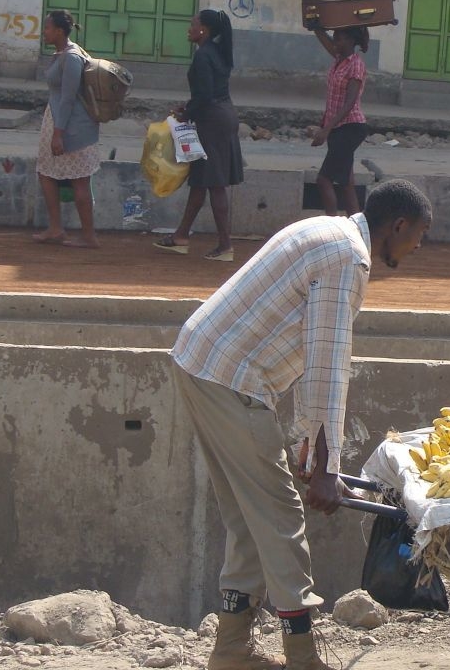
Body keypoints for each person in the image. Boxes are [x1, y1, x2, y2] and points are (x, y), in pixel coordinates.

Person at [170, 179, 432, 670]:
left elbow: (309, 353)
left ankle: (231, 653)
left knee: (253, 519)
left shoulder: (328, 230)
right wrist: (328, 468)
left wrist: (310, 453)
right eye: (418, 235)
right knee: (284, 519)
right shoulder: (347, 260)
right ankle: (303, 657)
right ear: (397, 226)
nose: (418, 246)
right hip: (230, 378)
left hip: (204, 363)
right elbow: (327, 366)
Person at [154, 9, 245, 262]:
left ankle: (225, 246)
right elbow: (209, 91)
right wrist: (189, 107)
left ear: (203, 29)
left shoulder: (204, 56)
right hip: (221, 116)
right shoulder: (217, 52)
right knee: (201, 180)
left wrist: (185, 114)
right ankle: (181, 236)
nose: (189, 28)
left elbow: (204, 95)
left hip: (212, 121)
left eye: (193, 24)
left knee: (214, 184)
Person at [32, 10, 102, 248]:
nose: (45, 32)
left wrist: (58, 133)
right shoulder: (64, 53)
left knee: (80, 181)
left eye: (48, 28)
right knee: (46, 173)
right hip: (61, 122)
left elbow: (68, 98)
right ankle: (55, 228)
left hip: (72, 127)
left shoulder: (71, 58)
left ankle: (89, 236)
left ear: (60, 32)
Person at [311, 26, 370, 216]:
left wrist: (326, 129)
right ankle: (358, 232)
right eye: (335, 37)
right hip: (340, 128)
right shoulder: (339, 60)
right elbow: (327, 42)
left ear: (352, 41)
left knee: (324, 179)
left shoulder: (356, 64)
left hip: (350, 128)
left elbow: (350, 102)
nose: (336, 41)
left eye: (340, 38)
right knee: (346, 183)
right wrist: (316, 27)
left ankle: (333, 228)